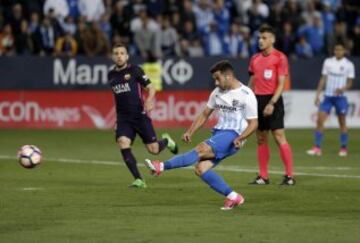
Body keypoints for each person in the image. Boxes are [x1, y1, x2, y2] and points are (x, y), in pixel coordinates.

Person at [145, 60, 258, 210]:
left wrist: (241, 137)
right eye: (214, 80)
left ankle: (161, 166)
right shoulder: (217, 93)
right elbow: (205, 114)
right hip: (220, 133)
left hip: (234, 135)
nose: (216, 83)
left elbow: (254, 123)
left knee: (200, 149)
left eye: (218, 78)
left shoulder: (246, 94)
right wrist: (190, 131)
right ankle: (233, 197)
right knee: (201, 169)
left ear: (228, 76)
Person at [108, 43, 178, 188]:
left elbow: (151, 87)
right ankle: (139, 180)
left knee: (154, 150)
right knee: (123, 143)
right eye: (116, 53)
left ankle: (166, 141)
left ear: (127, 56)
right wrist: (117, 120)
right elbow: (118, 98)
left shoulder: (135, 70)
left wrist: (150, 99)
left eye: (122, 53)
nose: (119, 56)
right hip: (123, 119)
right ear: (113, 56)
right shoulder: (111, 75)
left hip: (139, 116)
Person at [247, 25, 295, 186]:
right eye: (260, 38)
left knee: (279, 136)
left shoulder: (280, 58)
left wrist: (272, 103)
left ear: (272, 40)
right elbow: (252, 81)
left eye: (264, 38)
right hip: (257, 100)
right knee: (261, 138)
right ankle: (263, 176)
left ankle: (289, 176)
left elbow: (281, 84)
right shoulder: (255, 58)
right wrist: (247, 97)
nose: (261, 41)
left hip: (273, 99)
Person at [306, 42, 355, 157]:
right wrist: (317, 94)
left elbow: (350, 83)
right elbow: (323, 79)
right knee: (320, 120)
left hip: (340, 98)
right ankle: (317, 147)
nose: (338, 52)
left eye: (340, 50)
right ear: (334, 51)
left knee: (342, 122)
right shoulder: (328, 62)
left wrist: (343, 89)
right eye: (336, 50)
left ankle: (343, 148)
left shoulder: (349, 65)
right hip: (327, 97)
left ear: (344, 51)